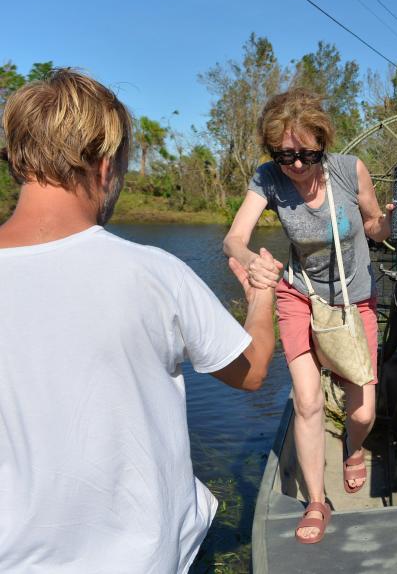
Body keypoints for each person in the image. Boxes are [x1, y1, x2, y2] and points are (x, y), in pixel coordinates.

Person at [0, 69, 276, 573]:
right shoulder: (153, 273)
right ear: (105, 165)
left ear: (18, 160)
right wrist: (262, 295)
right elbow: (253, 369)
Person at [223, 88, 392, 544]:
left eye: (306, 155)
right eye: (284, 155)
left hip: (355, 300)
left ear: (322, 143)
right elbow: (234, 238)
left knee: (363, 411)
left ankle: (352, 450)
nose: (296, 165)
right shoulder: (268, 179)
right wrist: (248, 257)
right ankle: (317, 501)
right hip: (299, 295)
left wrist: (388, 222)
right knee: (307, 400)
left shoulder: (348, 170)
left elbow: (375, 225)